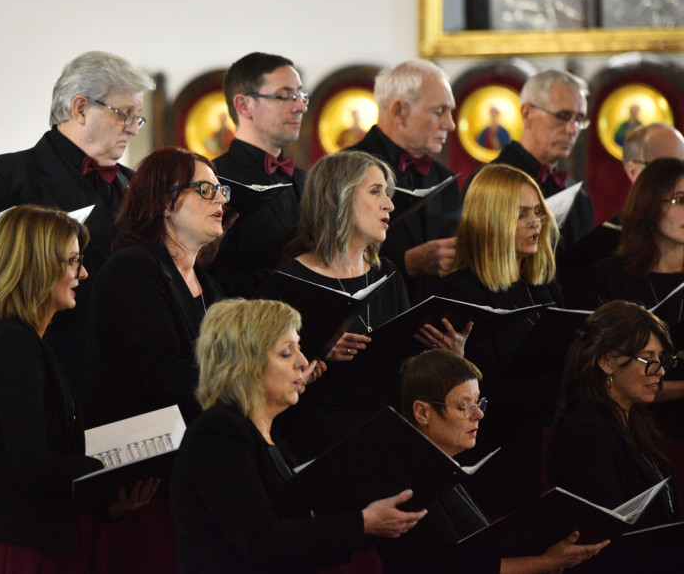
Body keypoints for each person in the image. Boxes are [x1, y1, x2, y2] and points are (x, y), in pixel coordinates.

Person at [0, 205, 155, 573]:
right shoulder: (13, 345)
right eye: (73, 261)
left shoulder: (27, 341)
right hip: (16, 547)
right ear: (37, 265)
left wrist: (107, 503)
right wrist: (112, 464)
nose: (84, 273)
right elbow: (33, 467)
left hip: (35, 537)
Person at [171, 298, 426, 573]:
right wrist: (362, 522)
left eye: (299, 349)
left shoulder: (269, 438)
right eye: (286, 353)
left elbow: (300, 540)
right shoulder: (218, 432)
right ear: (246, 364)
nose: (303, 362)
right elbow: (260, 539)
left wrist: (369, 520)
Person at [0, 51, 154, 397]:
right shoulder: (7, 178)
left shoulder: (135, 184)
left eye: (137, 118)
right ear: (80, 108)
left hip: (128, 381)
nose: (132, 129)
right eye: (124, 114)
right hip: (43, 380)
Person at [270, 150, 470, 461]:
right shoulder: (288, 279)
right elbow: (259, 375)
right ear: (335, 198)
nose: (389, 204)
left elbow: (407, 370)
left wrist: (447, 357)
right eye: (375, 192)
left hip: (388, 429)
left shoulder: (387, 273)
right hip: (316, 439)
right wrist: (315, 349)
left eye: (387, 194)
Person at [84, 146, 229, 573]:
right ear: (165, 202)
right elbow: (165, 376)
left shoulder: (209, 284)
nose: (220, 199)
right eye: (205, 189)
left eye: (221, 190)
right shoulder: (134, 269)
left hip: (192, 470)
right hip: (142, 480)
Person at [377, 349, 608, 574]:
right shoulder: (410, 480)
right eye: (464, 406)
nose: (479, 414)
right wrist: (546, 562)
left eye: (479, 402)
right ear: (423, 413)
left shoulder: (439, 468)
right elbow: (453, 568)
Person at [436, 164, 562, 515]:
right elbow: (488, 396)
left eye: (537, 211)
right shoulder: (459, 292)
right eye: (521, 214)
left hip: (538, 444)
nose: (536, 222)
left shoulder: (542, 285)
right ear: (491, 220)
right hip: (490, 458)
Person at [547, 301, 681, 572]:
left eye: (662, 359)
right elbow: (609, 544)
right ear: (607, 362)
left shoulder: (631, 421)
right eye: (648, 359)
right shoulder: (585, 434)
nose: (661, 371)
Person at [348, 59, 462, 302]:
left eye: (450, 111)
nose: (450, 124)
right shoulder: (344, 170)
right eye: (438, 111)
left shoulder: (444, 177)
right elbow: (328, 255)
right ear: (399, 111)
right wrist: (406, 263)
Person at [585, 158, 684, 432]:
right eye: (680, 200)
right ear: (649, 204)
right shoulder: (609, 275)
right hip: (626, 427)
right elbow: (603, 375)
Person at [210, 52, 307, 297]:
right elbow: (210, 278)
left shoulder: (306, 180)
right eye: (285, 96)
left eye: (300, 95)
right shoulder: (212, 181)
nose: (300, 107)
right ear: (244, 105)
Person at [466, 69, 594, 250]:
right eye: (563, 116)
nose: (573, 130)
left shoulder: (579, 198)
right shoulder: (487, 183)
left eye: (579, 119)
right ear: (527, 114)